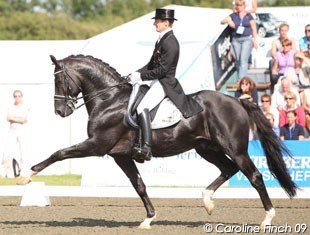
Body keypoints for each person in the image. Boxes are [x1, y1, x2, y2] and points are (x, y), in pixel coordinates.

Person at [129, 8, 202, 161]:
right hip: (157, 80)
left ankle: (146, 147)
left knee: (142, 107)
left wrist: (141, 76)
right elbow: (151, 65)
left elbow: (162, 70)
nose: (155, 23)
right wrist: (134, 74)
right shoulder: (162, 39)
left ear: (166, 23)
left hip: (165, 83)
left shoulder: (171, 42)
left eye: (157, 21)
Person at [220, 0, 258, 79]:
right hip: (236, 39)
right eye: (237, 5)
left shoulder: (249, 16)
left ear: (244, 6)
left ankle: (241, 80)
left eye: (240, 5)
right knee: (238, 60)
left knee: (243, 59)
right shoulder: (233, 15)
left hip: (246, 39)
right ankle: (240, 77)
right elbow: (222, 21)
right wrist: (229, 21)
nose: (239, 7)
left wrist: (255, 40)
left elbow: (254, 28)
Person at [1, 90, 29, 178]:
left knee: (23, 153)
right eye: (15, 96)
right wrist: (18, 119)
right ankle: (4, 172)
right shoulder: (11, 107)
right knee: (7, 152)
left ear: (21, 97)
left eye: (19, 96)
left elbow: (24, 120)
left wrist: (14, 118)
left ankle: (24, 173)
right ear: (14, 97)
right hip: (12, 130)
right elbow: (8, 118)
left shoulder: (25, 107)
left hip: (22, 130)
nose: (17, 98)